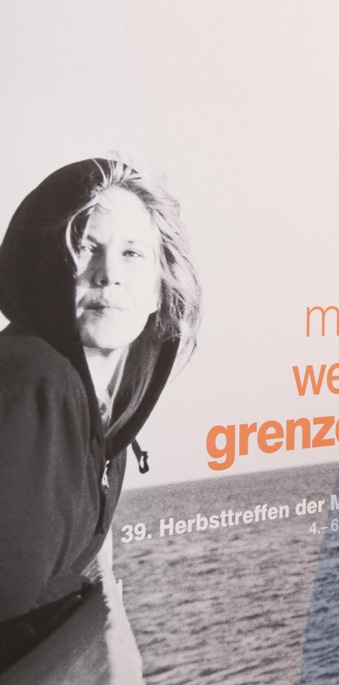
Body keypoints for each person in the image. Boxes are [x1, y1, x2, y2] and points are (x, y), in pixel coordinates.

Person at [0, 157, 201, 680]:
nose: (108, 274)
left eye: (132, 253)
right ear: (47, 265)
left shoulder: (98, 396)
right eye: (87, 246)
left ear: (159, 284)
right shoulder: (37, 382)